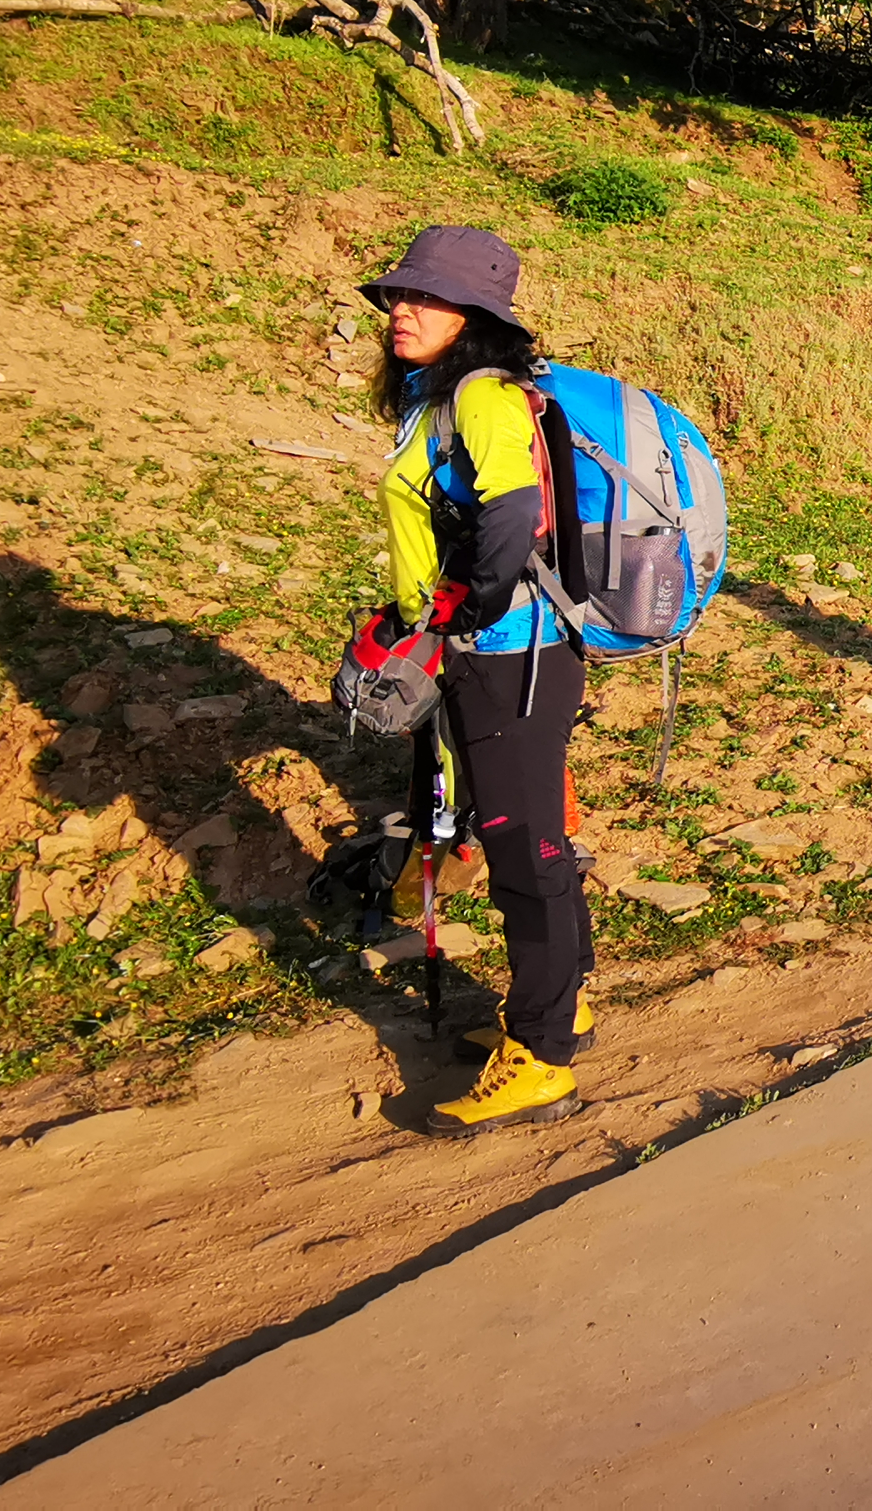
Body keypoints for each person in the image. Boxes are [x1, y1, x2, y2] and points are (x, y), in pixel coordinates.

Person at [361, 226, 596, 1132]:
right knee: (530, 840)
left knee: (523, 856)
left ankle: (540, 1056)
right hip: (496, 653)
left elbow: (512, 516)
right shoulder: (436, 402)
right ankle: (562, 1004)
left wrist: (462, 616)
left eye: (427, 299)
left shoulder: (485, 397)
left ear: (477, 320)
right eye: (397, 297)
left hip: (511, 659)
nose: (403, 310)